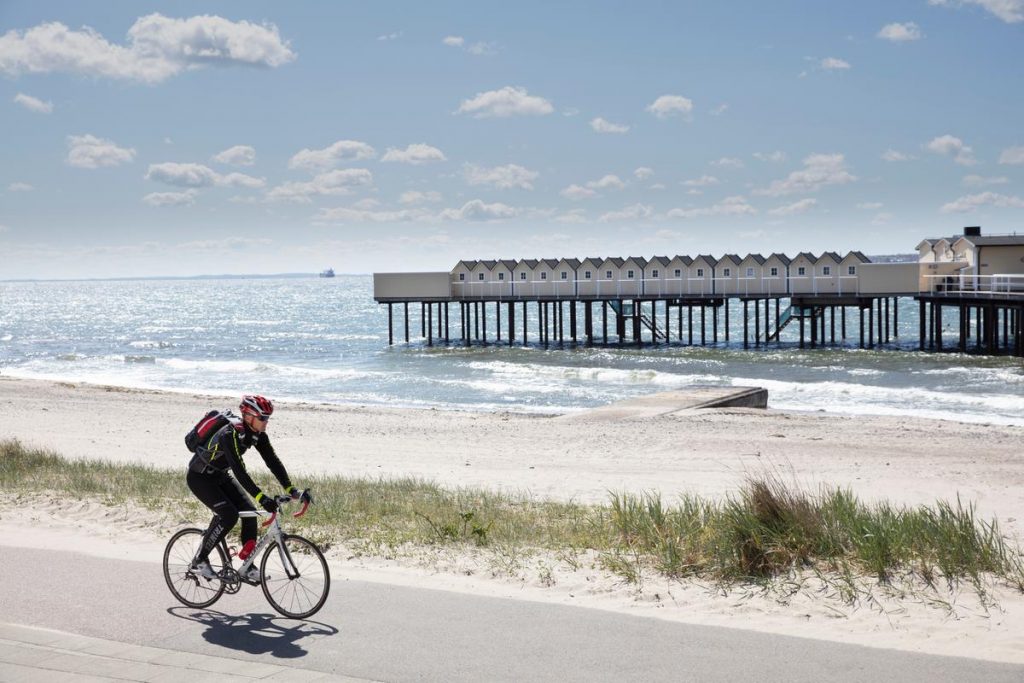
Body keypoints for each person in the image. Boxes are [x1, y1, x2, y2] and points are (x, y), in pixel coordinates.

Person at [187, 394, 310, 583]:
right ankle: (200, 560)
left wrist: (292, 490)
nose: (266, 422)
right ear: (249, 416)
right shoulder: (230, 435)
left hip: (219, 476)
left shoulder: (257, 435)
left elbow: (273, 462)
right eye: (263, 418)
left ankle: (247, 566)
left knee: (250, 514)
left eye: (268, 418)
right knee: (229, 515)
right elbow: (240, 471)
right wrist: (262, 497)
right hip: (200, 478)